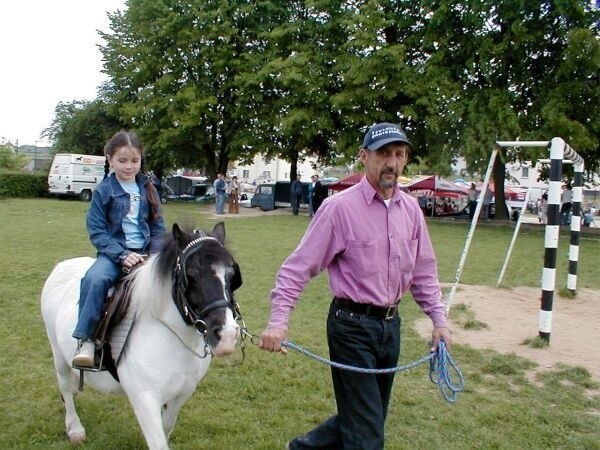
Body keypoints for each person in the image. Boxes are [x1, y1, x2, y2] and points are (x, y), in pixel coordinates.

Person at [258, 122, 451, 450]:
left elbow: (424, 273)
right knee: (367, 435)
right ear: (364, 156)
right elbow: (296, 269)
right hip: (351, 327)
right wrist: (278, 322)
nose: (391, 162)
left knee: (366, 418)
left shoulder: (412, 212)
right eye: (383, 154)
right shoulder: (338, 209)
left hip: (391, 328)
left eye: (399, 154)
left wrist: (439, 321)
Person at [72, 131, 166, 368]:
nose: (129, 166)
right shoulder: (104, 190)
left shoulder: (148, 188)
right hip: (114, 254)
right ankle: (87, 340)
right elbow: (97, 232)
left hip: (146, 252)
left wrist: (155, 255)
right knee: (94, 280)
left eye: (135, 160)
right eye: (122, 160)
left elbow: (158, 228)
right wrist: (122, 255)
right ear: (110, 159)